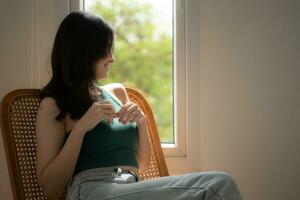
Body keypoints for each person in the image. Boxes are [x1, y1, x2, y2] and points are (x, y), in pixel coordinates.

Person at [35, 11, 243, 200]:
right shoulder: (54, 104)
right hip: (92, 191)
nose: (112, 58)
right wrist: (80, 129)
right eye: (105, 50)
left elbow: (141, 166)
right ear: (83, 54)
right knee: (218, 184)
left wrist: (141, 123)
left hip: (132, 185)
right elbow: (50, 188)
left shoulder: (116, 92)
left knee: (217, 186)